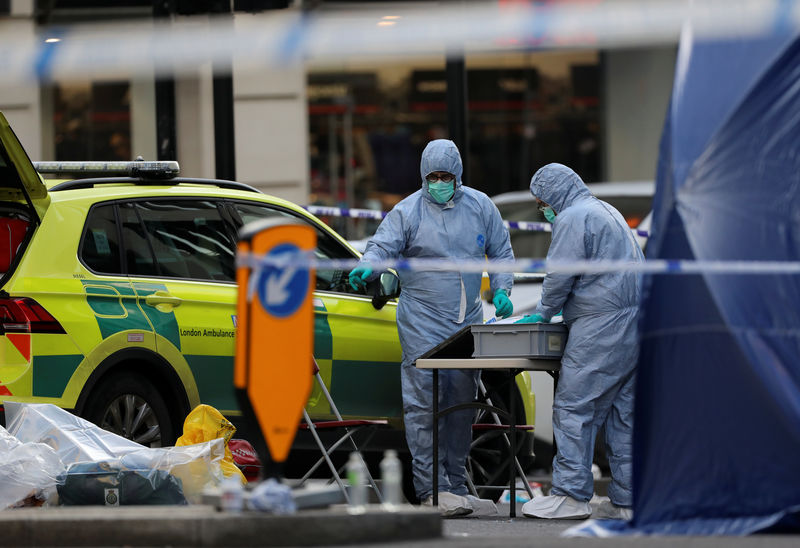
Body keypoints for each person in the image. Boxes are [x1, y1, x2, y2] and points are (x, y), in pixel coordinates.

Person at [348, 139, 514, 516]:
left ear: (458, 175)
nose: (440, 182)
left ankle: (455, 484)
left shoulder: (480, 206)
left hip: (467, 320)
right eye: (433, 176)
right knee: (424, 405)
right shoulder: (408, 212)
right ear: (423, 176)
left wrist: (502, 289)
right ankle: (432, 489)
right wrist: (368, 265)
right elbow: (382, 246)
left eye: (446, 176)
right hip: (422, 321)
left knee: (460, 404)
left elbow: (501, 251)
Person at [516, 163, 643, 521]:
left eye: (542, 202)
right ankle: (628, 500)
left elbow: (561, 273)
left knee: (574, 407)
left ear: (554, 194)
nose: (544, 210)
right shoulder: (607, 211)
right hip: (633, 322)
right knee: (623, 415)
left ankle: (570, 495)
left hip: (602, 324)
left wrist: (543, 311)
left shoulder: (574, 217)